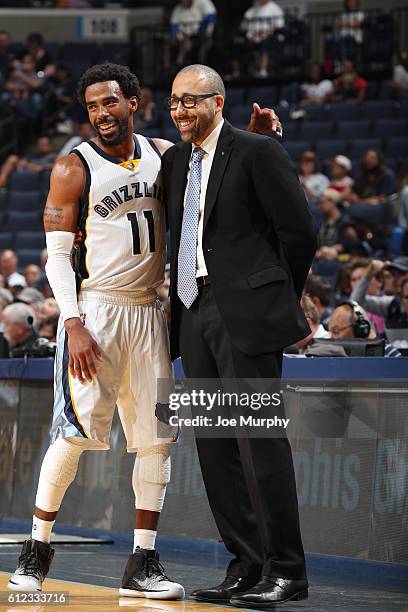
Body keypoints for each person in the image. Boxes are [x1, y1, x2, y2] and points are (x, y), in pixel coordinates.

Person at [8, 61, 282, 598]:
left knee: (157, 440)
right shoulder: (72, 167)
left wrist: (253, 142)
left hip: (150, 313)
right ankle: (37, 550)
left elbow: (213, 173)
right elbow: (58, 258)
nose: (102, 114)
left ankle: (143, 562)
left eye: (110, 102)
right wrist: (72, 321)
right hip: (95, 310)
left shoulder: (164, 154)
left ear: (133, 102)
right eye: (92, 107)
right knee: (76, 434)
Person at [162, 63, 316, 607]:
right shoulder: (175, 161)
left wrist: (273, 295)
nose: (180, 110)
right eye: (175, 101)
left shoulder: (255, 151)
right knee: (216, 448)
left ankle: (287, 570)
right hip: (192, 312)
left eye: (191, 100)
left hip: (245, 315)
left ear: (218, 101)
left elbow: (299, 231)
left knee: (259, 445)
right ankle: (246, 564)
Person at [229, 0, 284, 79]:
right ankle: (236, 73)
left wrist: (263, 32)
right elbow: (243, 26)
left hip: (269, 37)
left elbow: (279, 26)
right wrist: (250, 34)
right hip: (251, 37)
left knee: (264, 43)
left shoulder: (274, 8)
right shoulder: (253, 9)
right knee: (236, 44)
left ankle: (263, 71)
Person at [328, 301, 402, 357]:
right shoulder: (337, 355)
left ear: (360, 329)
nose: (331, 337)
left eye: (336, 332)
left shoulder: (390, 356)